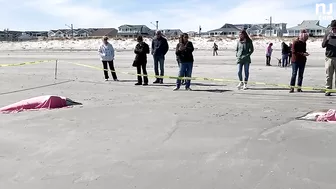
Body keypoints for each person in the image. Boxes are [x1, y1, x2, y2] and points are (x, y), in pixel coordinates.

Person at [322, 20, 336, 96]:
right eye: (333, 28)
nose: (334, 30)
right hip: (329, 58)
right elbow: (323, 45)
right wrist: (327, 39)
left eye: (335, 28)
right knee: (328, 76)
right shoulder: (327, 34)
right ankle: (328, 89)